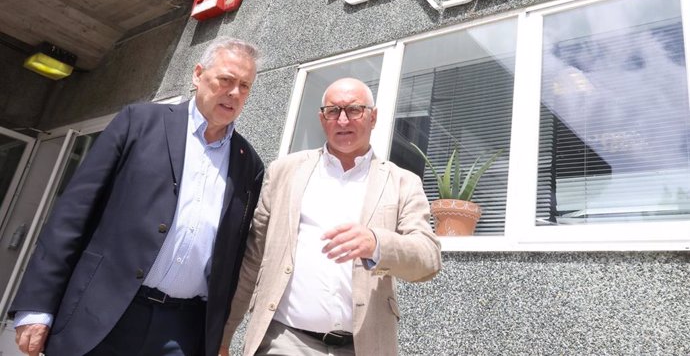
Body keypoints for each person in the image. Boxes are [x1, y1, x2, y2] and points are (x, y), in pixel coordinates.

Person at [8, 37, 265, 356]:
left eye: (245, 86)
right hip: (102, 314)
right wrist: (37, 305)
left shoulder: (248, 162)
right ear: (198, 75)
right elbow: (73, 215)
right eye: (226, 79)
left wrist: (219, 337)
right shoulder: (139, 123)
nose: (235, 93)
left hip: (183, 332)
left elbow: (233, 254)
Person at [222, 77, 442, 356]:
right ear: (321, 118)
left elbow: (428, 259)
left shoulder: (402, 182)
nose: (342, 120)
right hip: (286, 340)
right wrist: (225, 333)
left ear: (373, 117)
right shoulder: (285, 172)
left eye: (354, 110)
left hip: (363, 345)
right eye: (333, 111)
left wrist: (377, 243)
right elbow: (253, 258)